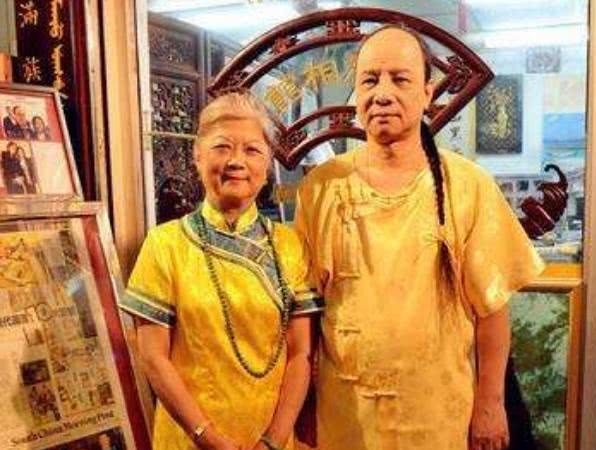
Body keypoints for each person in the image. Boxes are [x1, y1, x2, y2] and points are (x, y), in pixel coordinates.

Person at [294, 26, 544, 450]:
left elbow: (492, 312)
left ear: (428, 93)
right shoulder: (322, 187)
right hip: (346, 416)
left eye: (400, 79)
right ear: (355, 96)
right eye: (369, 80)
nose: (383, 94)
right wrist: (304, 403)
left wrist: (490, 403)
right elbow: (306, 313)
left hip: (439, 417)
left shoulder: (467, 185)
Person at [119, 92, 323, 450]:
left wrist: (274, 440)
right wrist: (205, 435)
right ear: (198, 156)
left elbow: (300, 355)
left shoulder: (291, 247)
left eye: (252, 150)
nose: (236, 161)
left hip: (272, 438)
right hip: (188, 439)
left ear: (267, 163)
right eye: (222, 147)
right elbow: (153, 357)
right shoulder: (165, 244)